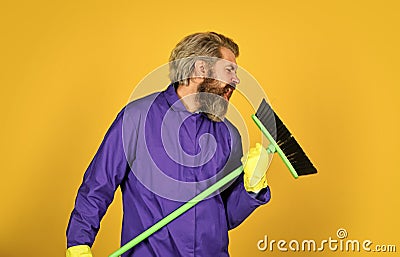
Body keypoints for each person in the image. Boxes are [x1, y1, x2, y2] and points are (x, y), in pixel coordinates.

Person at [66, 32, 271, 257]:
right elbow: (97, 185)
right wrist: (79, 242)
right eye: (229, 70)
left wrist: (252, 188)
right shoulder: (136, 118)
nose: (236, 80)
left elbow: (225, 217)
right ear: (201, 69)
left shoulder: (228, 134)